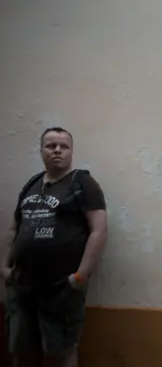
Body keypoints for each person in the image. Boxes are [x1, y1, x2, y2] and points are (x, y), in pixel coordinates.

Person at [1, 127, 108, 367]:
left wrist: (79, 276)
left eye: (64, 146)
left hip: (60, 288)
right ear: (41, 151)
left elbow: (98, 231)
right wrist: (4, 268)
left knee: (62, 352)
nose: (57, 150)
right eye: (50, 145)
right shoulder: (31, 184)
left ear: (71, 152)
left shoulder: (83, 183)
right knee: (22, 351)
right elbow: (13, 229)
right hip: (21, 286)